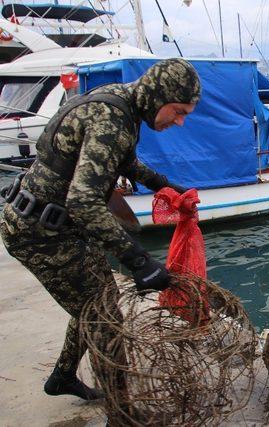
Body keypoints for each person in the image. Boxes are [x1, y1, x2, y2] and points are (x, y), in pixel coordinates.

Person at [0, 58, 201, 401]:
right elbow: (84, 200)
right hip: (39, 232)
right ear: (157, 96)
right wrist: (139, 262)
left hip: (55, 225)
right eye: (178, 111)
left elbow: (123, 160)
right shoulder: (113, 118)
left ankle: (63, 376)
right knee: (105, 318)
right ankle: (122, 413)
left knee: (94, 300)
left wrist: (167, 186)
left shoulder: (119, 101)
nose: (179, 121)